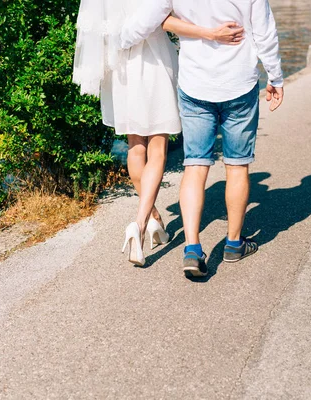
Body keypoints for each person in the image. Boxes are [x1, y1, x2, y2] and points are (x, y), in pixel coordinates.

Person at [73, 0, 244, 267]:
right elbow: (161, 18)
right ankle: (140, 224)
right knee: (157, 148)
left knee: (135, 146)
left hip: (121, 65)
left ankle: (154, 218)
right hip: (151, 63)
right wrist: (209, 32)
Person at [120, 0, 284, 277]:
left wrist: (119, 43)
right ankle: (234, 243)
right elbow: (265, 32)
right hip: (239, 84)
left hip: (196, 84)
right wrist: (275, 77)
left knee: (195, 167)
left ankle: (193, 249)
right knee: (237, 166)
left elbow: (140, 25)